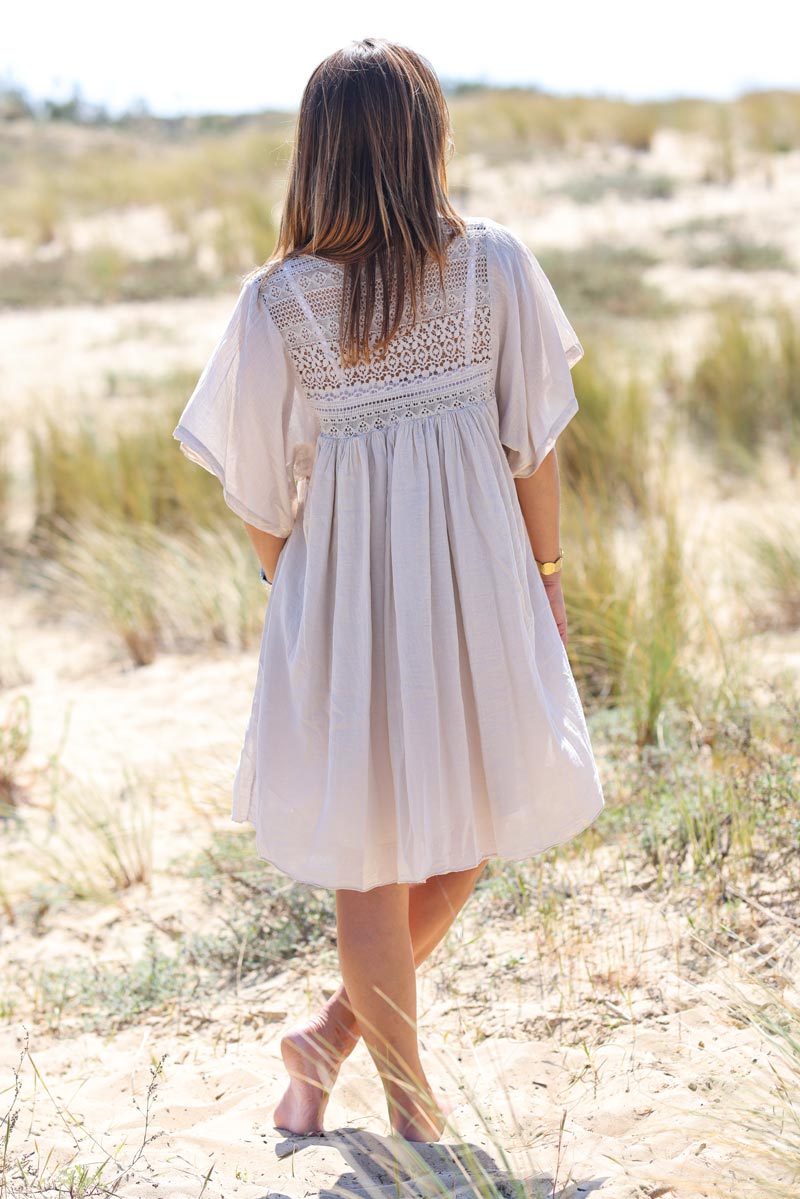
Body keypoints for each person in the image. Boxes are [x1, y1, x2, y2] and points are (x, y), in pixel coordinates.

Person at [172, 37, 605, 1144]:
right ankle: (411, 1106)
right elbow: (264, 491)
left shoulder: (492, 264)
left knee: (465, 830)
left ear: (314, 153)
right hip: (353, 605)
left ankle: (326, 1036)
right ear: (426, 138)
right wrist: (307, 598)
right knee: (369, 859)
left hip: (467, 594)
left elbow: (526, 445)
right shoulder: (280, 305)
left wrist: (544, 579)